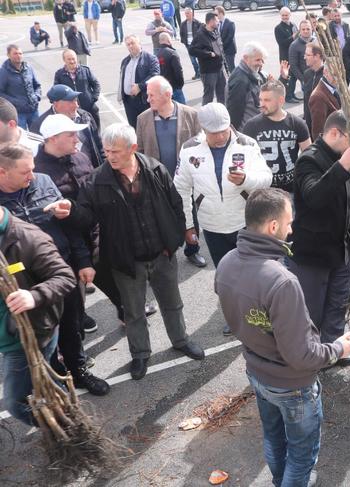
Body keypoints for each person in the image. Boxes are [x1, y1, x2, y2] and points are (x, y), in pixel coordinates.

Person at [215, 188, 350, 487]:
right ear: (273, 227)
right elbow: (302, 356)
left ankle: (281, 481)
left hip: (256, 372)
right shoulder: (281, 282)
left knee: (274, 439)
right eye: (289, 222)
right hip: (292, 386)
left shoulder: (226, 262)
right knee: (302, 458)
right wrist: (338, 349)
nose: (292, 229)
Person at [51, 123, 206, 380]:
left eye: (115, 151)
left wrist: (176, 238)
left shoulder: (155, 169)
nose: (109, 156)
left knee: (172, 304)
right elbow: (86, 217)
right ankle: (140, 355)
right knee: (134, 313)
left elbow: (175, 202)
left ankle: (180, 341)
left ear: (133, 148)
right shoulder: (97, 181)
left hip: (162, 255)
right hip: (127, 261)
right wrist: (71, 211)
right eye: (106, 151)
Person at [22, 116, 110, 396]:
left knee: (72, 324)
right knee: (42, 332)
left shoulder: (44, 181)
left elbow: (70, 226)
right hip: (27, 279)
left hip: (65, 266)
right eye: (25, 170)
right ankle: (54, 378)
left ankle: (78, 370)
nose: (31, 174)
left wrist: (82, 261)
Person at [288, 111, 350, 366]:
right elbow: (314, 196)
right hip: (313, 255)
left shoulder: (345, 158)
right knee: (312, 311)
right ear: (335, 133)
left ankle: (335, 351)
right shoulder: (308, 160)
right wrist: (343, 165)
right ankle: (310, 358)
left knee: (337, 305)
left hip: (340, 251)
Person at [0, 193, 76, 425]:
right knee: (46, 382)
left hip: (27, 336)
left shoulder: (27, 237)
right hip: (7, 335)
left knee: (15, 402)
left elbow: (65, 276)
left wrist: (33, 296)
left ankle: (67, 431)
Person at [176, 102, 272, 269]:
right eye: (214, 133)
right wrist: (188, 225)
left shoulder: (247, 145)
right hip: (212, 227)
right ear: (203, 129)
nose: (220, 137)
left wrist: (245, 180)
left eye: (224, 130)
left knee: (252, 273)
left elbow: (266, 178)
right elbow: (181, 189)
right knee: (225, 273)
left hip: (245, 223)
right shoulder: (189, 150)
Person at [135, 75, 206, 269]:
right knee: (159, 218)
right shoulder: (143, 119)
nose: (147, 99)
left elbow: (201, 146)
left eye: (151, 95)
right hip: (156, 181)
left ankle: (192, 249)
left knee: (188, 214)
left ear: (167, 95)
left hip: (184, 180)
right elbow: (139, 151)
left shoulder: (191, 114)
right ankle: (165, 253)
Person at [243, 80, 311, 193]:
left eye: (267, 100)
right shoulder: (251, 126)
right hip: (263, 191)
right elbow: (245, 159)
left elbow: (308, 156)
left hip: (291, 190)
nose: (262, 104)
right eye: (260, 99)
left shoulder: (298, 124)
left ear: (281, 101)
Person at [31, 85, 104, 170]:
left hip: (90, 169)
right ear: (56, 104)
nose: (76, 105)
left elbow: (99, 145)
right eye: (71, 102)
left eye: (76, 100)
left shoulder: (85, 116)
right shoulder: (40, 126)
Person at [119, 35, 160, 128]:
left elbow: (155, 75)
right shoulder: (125, 61)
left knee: (147, 128)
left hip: (143, 100)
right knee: (134, 128)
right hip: (129, 102)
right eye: (128, 44)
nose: (130, 46)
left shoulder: (150, 58)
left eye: (132, 43)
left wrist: (140, 86)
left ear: (139, 43)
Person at [227, 42, 270, 131]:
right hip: (247, 131)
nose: (261, 64)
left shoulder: (254, 72)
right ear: (246, 58)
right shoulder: (240, 81)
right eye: (258, 60)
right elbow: (235, 111)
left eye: (262, 60)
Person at [53, 50, 101, 128]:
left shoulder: (85, 70)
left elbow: (96, 85)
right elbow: (56, 92)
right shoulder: (59, 74)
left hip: (89, 108)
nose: (72, 61)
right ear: (64, 60)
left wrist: (93, 98)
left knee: (95, 131)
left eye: (73, 58)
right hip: (71, 111)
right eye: (69, 59)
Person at [0, 46, 41, 131]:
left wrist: (36, 97)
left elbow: (37, 85)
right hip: (18, 113)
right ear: (8, 55)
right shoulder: (3, 72)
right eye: (15, 53)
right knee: (22, 138)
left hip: (33, 110)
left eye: (20, 53)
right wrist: (16, 102)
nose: (18, 56)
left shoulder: (28, 68)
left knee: (38, 136)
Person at [189, 12, 226, 105]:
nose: (219, 23)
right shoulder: (200, 35)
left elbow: (221, 49)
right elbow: (192, 50)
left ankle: (222, 115)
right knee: (208, 96)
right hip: (209, 72)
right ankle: (205, 117)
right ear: (211, 21)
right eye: (217, 21)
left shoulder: (215, 31)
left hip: (220, 69)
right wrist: (208, 54)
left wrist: (225, 67)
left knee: (222, 94)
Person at [308, 65, 340, 139]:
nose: (339, 78)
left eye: (340, 73)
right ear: (325, 72)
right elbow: (318, 131)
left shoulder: (333, 88)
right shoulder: (318, 97)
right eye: (335, 74)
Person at [274, 7, 298, 101]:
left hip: (294, 55)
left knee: (294, 76)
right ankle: (287, 96)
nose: (285, 17)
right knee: (287, 77)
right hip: (285, 56)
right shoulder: (278, 28)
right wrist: (292, 37)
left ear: (290, 15)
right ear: (280, 16)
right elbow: (282, 43)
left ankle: (292, 94)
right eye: (283, 15)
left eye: (286, 15)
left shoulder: (293, 25)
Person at [288, 20, 314, 103]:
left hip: (319, 77)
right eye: (303, 29)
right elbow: (293, 65)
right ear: (300, 30)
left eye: (308, 29)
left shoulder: (317, 42)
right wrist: (303, 79)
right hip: (306, 79)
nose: (306, 31)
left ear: (312, 29)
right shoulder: (294, 45)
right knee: (309, 102)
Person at [302, 42, 325, 133]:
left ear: (317, 56)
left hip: (323, 125)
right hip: (308, 122)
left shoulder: (328, 76)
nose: (304, 57)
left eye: (307, 55)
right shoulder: (307, 74)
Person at [156, 33, 185, 104]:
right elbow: (178, 71)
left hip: (164, 88)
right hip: (175, 87)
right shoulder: (172, 53)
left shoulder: (156, 54)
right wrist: (180, 85)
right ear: (169, 40)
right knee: (183, 111)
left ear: (160, 42)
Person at [180, 8, 202, 80]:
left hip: (197, 45)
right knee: (193, 61)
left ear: (192, 14)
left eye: (188, 13)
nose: (187, 15)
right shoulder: (183, 24)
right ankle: (197, 73)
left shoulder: (197, 23)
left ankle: (201, 73)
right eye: (186, 13)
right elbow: (182, 34)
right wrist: (185, 42)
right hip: (189, 46)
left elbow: (202, 33)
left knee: (200, 60)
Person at [215, 6, 236, 75]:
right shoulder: (217, 24)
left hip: (229, 50)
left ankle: (235, 83)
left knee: (231, 68)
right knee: (224, 68)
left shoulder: (230, 23)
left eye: (216, 14)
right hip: (221, 50)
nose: (216, 16)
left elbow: (230, 38)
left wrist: (221, 46)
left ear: (221, 13)